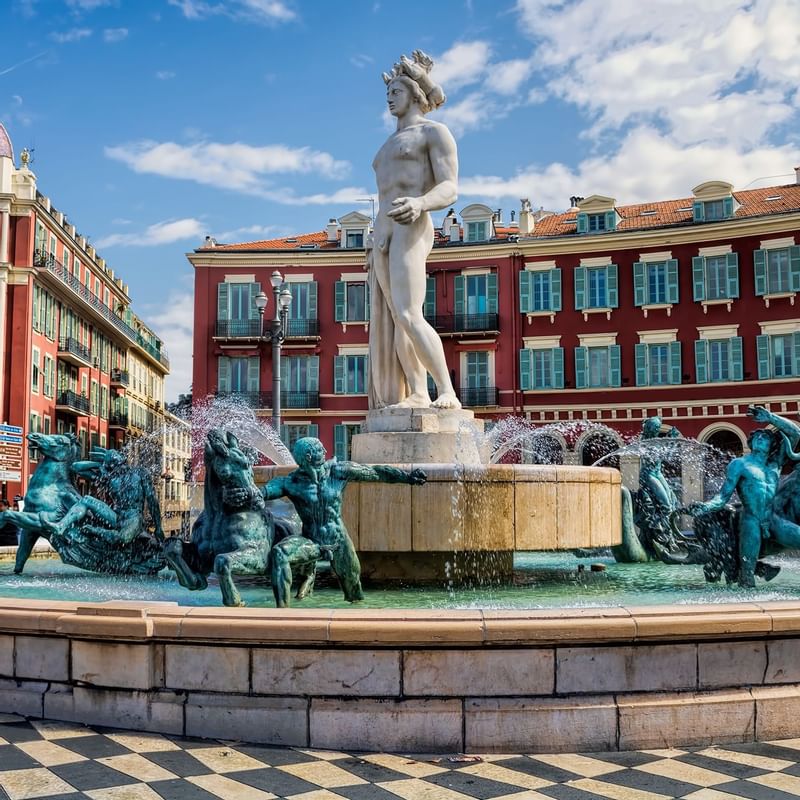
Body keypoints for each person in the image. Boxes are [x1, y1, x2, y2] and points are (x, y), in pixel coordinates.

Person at [368, 50, 461, 410]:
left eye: (396, 92)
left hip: (412, 221)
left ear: (414, 94)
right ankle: (419, 392)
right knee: (396, 319)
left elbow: (450, 186)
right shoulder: (386, 145)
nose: (389, 98)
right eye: (387, 93)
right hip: (384, 230)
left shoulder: (434, 133)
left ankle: (447, 391)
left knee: (409, 312)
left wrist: (420, 203)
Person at [226, 437, 426, 603]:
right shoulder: (291, 482)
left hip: (339, 541)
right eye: (320, 449)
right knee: (280, 554)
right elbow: (265, 492)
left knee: (354, 589)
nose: (325, 449)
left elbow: (375, 472)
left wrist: (406, 477)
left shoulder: (338, 472)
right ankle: (282, 615)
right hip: (311, 541)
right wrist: (247, 495)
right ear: (308, 457)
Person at [688, 425, 800, 587]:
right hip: (751, 520)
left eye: (766, 437)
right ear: (751, 442)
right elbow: (722, 497)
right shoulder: (739, 464)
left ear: (771, 445)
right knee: (747, 572)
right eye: (757, 437)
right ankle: (745, 595)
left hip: (773, 519)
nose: (761, 439)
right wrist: (706, 507)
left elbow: (795, 432)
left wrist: (771, 418)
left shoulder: (774, 464)